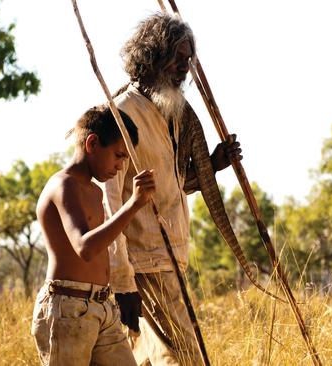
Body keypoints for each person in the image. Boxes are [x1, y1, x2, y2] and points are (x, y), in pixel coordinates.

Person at [102, 13, 242, 366]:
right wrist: (122, 283)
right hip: (143, 263)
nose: (184, 68)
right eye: (178, 58)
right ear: (153, 55)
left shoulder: (171, 112)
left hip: (170, 259)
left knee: (149, 360)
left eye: (188, 60)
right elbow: (110, 201)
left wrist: (214, 163)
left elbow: (171, 186)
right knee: (184, 359)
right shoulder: (122, 114)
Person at [31, 105, 156, 366]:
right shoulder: (63, 185)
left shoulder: (95, 193)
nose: (120, 166)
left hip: (102, 305)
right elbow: (84, 247)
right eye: (118, 155)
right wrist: (132, 205)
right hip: (67, 308)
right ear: (92, 143)